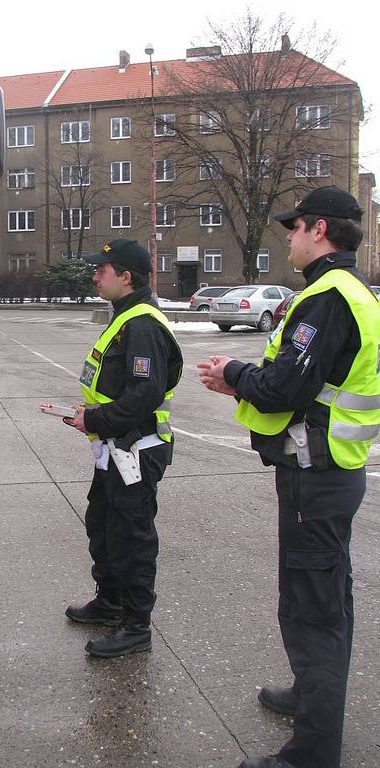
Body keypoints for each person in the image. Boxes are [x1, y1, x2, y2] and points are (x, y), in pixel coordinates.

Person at [197, 186, 380, 768]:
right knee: (329, 595)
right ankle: (312, 696)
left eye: (295, 227)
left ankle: (312, 751)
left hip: (315, 474)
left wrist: (233, 372)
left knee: (312, 608)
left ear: (319, 229)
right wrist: (249, 377)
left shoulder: (325, 299)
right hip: (331, 473)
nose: (290, 236)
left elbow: (284, 388)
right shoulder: (354, 293)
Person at [64, 239, 183, 658]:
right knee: (103, 524)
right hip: (114, 449)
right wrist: (91, 413)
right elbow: (120, 388)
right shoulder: (126, 318)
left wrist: (93, 420)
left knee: (131, 538)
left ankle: (136, 627)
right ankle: (110, 600)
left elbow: (144, 395)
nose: (96, 276)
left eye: (103, 270)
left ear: (126, 277)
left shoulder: (144, 325)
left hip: (136, 450)